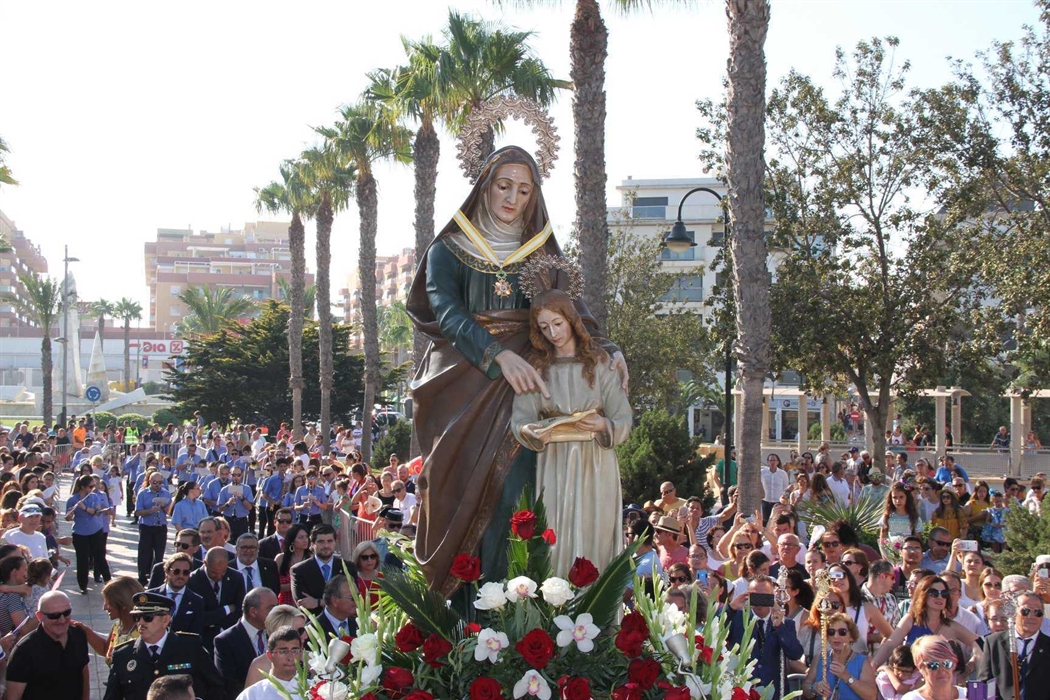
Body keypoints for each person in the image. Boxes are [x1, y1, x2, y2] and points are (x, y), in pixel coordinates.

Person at [406, 146, 628, 594]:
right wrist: (497, 355)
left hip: (530, 381)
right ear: (485, 186)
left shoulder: (539, 250)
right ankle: (466, 610)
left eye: (524, 190)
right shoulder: (447, 249)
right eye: (504, 186)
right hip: (466, 377)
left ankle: (520, 608)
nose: (513, 198)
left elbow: (567, 307)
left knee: (520, 493)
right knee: (458, 490)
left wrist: (605, 347)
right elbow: (445, 311)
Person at [104, 592, 223, 700]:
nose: (140, 623)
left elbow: (216, 688)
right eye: (137, 617)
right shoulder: (123, 655)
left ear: (165, 620)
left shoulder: (190, 647)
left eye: (147, 617)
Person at [727, 575, 804, 700]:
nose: (760, 600)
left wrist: (780, 627)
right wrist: (731, 608)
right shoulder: (737, 619)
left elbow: (795, 653)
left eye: (764, 596)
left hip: (775, 693)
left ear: (772, 597)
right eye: (755, 596)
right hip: (744, 691)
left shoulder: (785, 623)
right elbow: (716, 629)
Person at [4, 591, 90, 700]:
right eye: (54, 615)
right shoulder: (24, 650)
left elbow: (84, 671)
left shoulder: (78, 635)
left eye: (67, 612)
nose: (62, 620)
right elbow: (13, 696)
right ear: (39, 616)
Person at [978, 590, 1049, 700]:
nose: (1032, 616)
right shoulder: (994, 642)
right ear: (1013, 612)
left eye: (1038, 612)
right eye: (1026, 611)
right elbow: (985, 682)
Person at [214, 587, 278, 699]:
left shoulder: (276, 634)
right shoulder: (225, 641)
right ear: (253, 611)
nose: (276, 613)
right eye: (271, 609)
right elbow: (229, 685)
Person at [801, 612, 877, 700]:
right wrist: (814, 688)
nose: (836, 636)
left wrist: (847, 677)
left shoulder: (862, 661)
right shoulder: (820, 658)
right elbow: (805, 687)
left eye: (842, 632)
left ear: (851, 636)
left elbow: (872, 695)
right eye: (831, 632)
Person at [186, 547, 246, 650]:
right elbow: (198, 617)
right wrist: (226, 610)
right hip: (203, 641)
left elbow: (240, 611)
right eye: (213, 572)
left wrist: (216, 617)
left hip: (230, 637)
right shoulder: (192, 581)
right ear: (205, 563)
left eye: (222, 572)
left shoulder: (237, 577)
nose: (218, 576)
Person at [77, 576, 143, 664]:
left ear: (122, 604)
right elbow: (105, 650)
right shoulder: (117, 626)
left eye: (108, 603)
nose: (104, 607)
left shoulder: (143, 632)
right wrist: (85, 631)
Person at [290, 525, 352, 615]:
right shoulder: (299, 570)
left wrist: (318, 602)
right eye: (321, 542)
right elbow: (303, 603)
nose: (326, 545)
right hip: (313, 624)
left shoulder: (348, 567)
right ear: (312, 544)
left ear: (335, 542)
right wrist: (339, 601)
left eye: (329, 541)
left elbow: (352, 600)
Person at [241, 606, 307, 689]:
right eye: (300, 631)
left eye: (305, 630)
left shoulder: (311, 659)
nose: (305, 636)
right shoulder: (260, 665)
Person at [65, 473, 111, 594]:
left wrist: (84, 508)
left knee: (100, 557)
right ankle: (83, 586)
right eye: (90, 486)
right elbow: (68, 518)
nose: (93, 489)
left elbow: (96, 512)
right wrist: (70, 514)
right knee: (82, 560)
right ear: (82, 487)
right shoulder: (72, 499)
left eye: (94, 486)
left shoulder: (94, 497)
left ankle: (110, 583)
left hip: (95, 530)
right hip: (80, 532)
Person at [236, 626, 305, 700]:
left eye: (295, 651)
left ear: (301, 653)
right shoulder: (252, 695)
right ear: (269, 655)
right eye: (283, 652)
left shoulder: (314, 689)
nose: (290, 657)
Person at [146, 554, 204, 635]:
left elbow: (195, 634)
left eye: (185, 572)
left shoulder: (197, 601)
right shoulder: (150, 596)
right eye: (176, 571)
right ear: (167, 571)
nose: (181, 576)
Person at [134, 471, 172, 585]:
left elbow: (169, 512)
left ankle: (156, 578)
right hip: (147, 526)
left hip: (161, 527)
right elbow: (137, 512)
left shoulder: (165, 493)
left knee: (159, 554)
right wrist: (150, 511)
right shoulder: (143, 493)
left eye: (160, 482)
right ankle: (142, 577)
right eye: (155, 482)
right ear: (150, 481)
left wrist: (165, 507)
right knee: (144, 553)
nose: (157, 485)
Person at [903, 634, 967, 700]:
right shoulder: (912, 698)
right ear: (921, 667)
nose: (942, 670)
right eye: (934, 665)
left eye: (947, 663)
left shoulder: (968, 695)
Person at [317, 575, 358, 639]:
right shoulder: (314, 629)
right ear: (334, 601)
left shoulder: (359, 624)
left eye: (358, 596)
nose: (357, 601)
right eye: (352, 598)